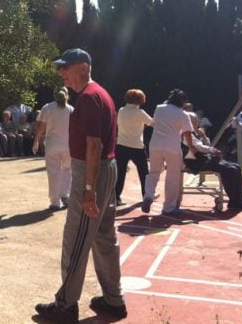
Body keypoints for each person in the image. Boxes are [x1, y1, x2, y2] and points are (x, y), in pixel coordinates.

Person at [36, 48, 127, 323]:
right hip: (105, 168)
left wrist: (88, 189)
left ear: (84, 67)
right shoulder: (100, 93)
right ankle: (114, 300)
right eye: (60, 68)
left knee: (76, 237)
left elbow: (93, 145)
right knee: (103, 239)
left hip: (92, 171)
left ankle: (65, 305)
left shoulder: (88, 98)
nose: (62, 72)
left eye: (67, 67)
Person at [184, 113, 242, 211]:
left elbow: (206, 144)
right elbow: (200, 147)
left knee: (236, 167)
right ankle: (234, 203)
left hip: (204, 159)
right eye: (196, 120)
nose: (198, 122)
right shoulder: (186, 134)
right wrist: (213, 150)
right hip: (197, 162)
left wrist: (203, 136)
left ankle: (240, 201)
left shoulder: (194, 133)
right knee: (230, 170)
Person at [142, 89, 194, 215]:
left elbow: (155, 122)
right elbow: (187, 134)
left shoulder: (159, 108)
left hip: (155, 145)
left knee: (153, 172)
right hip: (172, 146)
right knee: (172, 176)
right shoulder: (183, 114)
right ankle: (169, 207)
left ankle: (148, 195)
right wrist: (192, 148)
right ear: (182, 101)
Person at [33, 87, 74, 211]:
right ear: (67, 95)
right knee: (67, 170)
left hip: (52, 145)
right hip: (68, 145)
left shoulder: (47, 107)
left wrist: (36, 141)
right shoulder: (71, 109)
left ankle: (55, 201)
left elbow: (41, 126)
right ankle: (65, 194)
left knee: (53, 172)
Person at [115, 88, 154, 206]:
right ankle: (146, 195)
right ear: (140, 100)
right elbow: (152, 123)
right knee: (144, 172)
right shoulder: (140, 112)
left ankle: (116, 197)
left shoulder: (121, 110)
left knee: (120, 173)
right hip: (136, 146)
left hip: (121, 145)